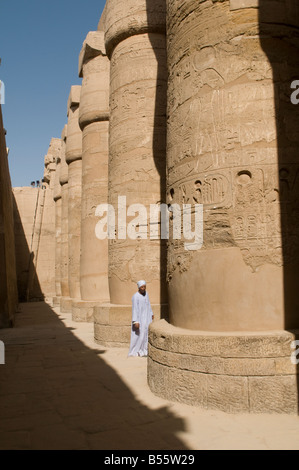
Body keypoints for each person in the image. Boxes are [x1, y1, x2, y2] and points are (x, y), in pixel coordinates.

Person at [128, 280, 154, 357]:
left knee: (146, 334)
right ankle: (137, 351)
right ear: (139, 288)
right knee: (139, 335)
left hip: (147, 317)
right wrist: (136, 321)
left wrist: (151, 313)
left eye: (144, 287)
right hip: (139, 319)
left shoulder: (146, 294)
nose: (143, 288)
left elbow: (148, 304)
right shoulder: (135, 297)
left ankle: (145, 350)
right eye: (142, 287)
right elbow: (135, 309)